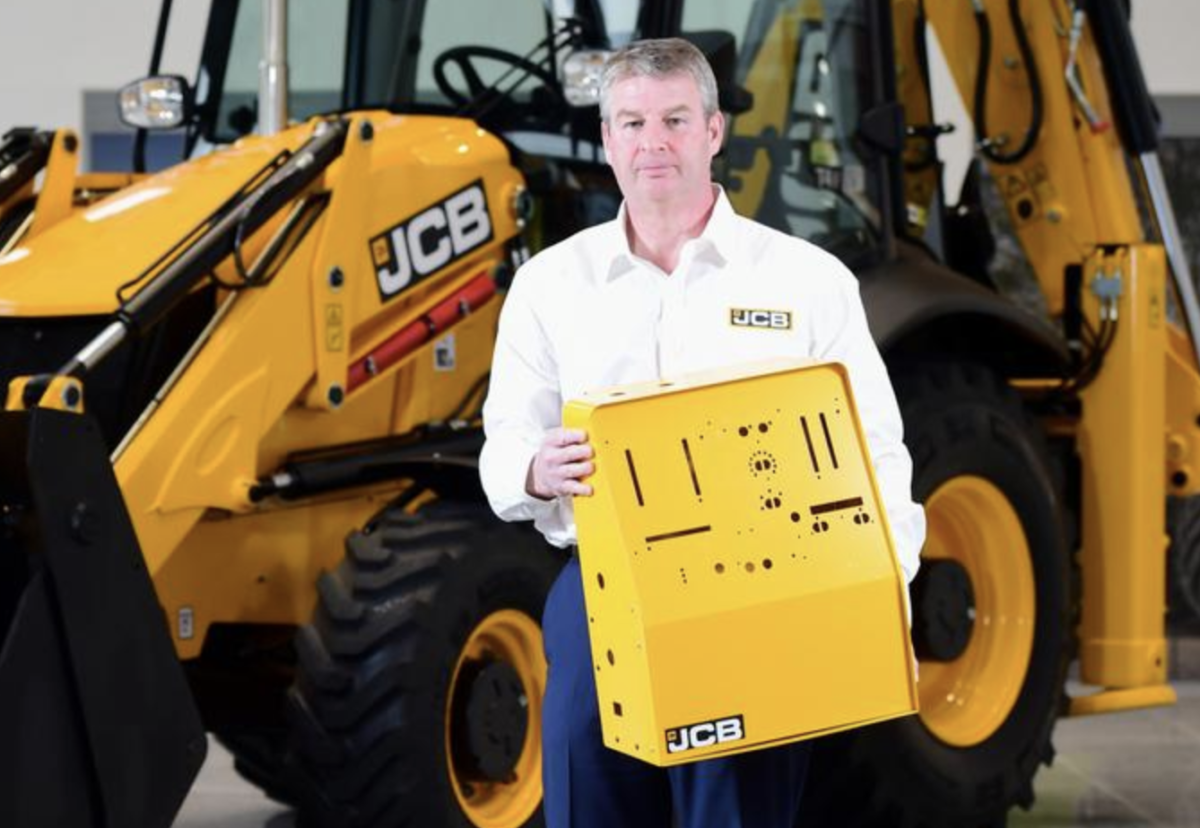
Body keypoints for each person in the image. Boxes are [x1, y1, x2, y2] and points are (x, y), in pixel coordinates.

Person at [480, 37, 925, 828]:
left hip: (769, 586)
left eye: (676, 119)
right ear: (607, 139)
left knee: (735, 798)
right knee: (588, 776)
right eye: (633, 122)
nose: (654, 142)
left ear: (714, 131)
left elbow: (875, 448)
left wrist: (883, 586)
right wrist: (534, 469)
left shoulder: (805, 280)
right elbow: (505, 443)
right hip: (606, 583)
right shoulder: (552, 286)